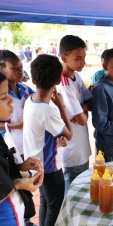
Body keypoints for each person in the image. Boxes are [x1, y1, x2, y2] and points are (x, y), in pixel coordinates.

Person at [23, 54, 72, 226]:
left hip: (35, 164)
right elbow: (68, 135)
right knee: (55, 207)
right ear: (58, 80)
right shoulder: (48, 110)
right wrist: (61, 106)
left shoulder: (30, 101)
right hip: (50, 168)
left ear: (34, 79)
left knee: (46, 202)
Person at [0, 72, 43, 226]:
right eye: (4, 97)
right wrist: (19, 184)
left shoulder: (1, 135)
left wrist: (20, 166)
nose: (11, 101)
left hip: (16, 213)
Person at [57, 35, 92, 193]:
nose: (83, 62)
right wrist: (83, 112)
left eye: (84, 57)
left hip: (81, 146)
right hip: (73, 150)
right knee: (72, 193)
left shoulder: (76, 77)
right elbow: (82, 120)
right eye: (78, 58)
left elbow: (90, 101)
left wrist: (83, 108)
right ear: (64, 57)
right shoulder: (64, 84)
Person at [0, 50, 34, 159]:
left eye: (21, 67)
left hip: (30, 145)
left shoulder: (26, 89)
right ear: (2, 69)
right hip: (11, 148)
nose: (20, 71)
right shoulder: (1, 96)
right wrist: (17, 126)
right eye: (14, 68)